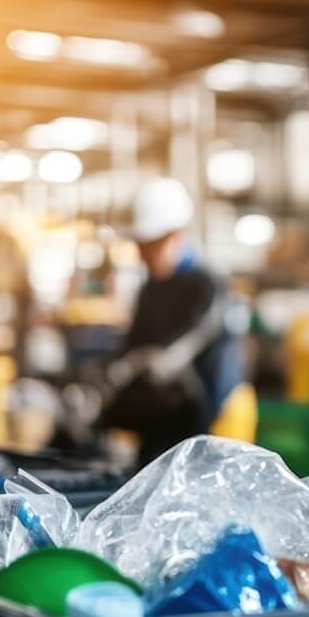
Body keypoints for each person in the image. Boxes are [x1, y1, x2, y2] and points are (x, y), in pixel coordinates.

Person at [99, 178, 254, 464]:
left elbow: (187, 345)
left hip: (214, 427)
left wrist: (150, 362)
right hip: (166, 423)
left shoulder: (208, 286)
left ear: (177, 235)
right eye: (141, 246)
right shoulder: (151, 289)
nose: (144, 255)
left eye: (152, 245)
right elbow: (132, 346)